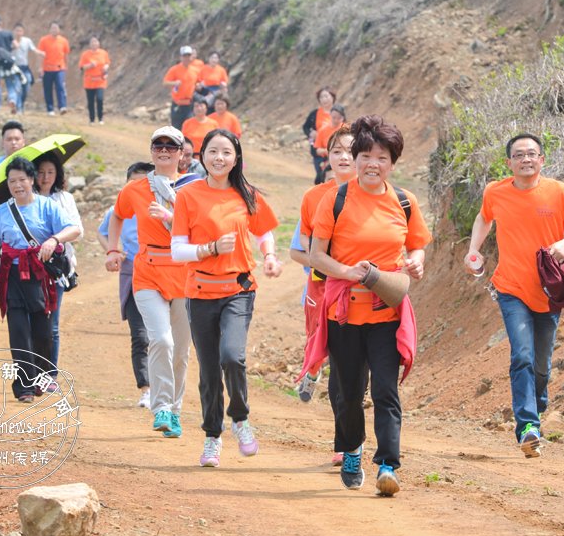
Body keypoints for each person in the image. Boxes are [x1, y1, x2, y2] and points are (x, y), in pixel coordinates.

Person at [307, 115, 431, 496]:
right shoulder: (335, 199)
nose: (372, 164)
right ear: (356, 159)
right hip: (344, 314)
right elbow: (316, 255)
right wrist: (348, 271)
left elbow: (417, 245)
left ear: (392, 163)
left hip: (386, 312)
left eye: (381, 158)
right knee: (348, 393)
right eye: (365, 156)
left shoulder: (404, 202)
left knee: (385, 391)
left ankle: (388, 465)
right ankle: (351, 450)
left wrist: (416, 262)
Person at [466, 133, 564, 459]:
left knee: (541, 366)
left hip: (549, 292)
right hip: (510, 289)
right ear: (508, 162)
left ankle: (535, 409)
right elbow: (484, 217)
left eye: (531, 154)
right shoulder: (495, 191)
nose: (526, 159)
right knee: (522, 355)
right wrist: (473, 249)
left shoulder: (559, 192)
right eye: (519, 155)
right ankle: (528, 426)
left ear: (542, 160)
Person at [171, 128, 282, 468]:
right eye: (213, 151)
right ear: (202, 155)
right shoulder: (188, 195)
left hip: (238, 289)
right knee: (208, 370)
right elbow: (177, 250)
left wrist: (269, 255)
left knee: (232, 357)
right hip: (200, 292)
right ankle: (212, 437)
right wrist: (210, 249)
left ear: (236, 159)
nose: (219, 158)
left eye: (226, 152)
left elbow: (264, 230)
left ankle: (240, 418)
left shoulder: (246, 194)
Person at [105, 127, 201, 438]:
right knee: (161, 339)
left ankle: (175, 411)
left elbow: (202, 228)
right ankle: (160, 407)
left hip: (185, 273)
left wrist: (170, 217)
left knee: (181, 350)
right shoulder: (135, 189)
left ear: (181, 153)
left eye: (170, 146)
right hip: (147, 272)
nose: (163, 151)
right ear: (151, 151)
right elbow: (117, 216)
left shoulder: (194, 188)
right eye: (158, 145)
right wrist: (113, 249)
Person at [0, 157, 80, 403]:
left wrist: (54, 240)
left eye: (22, 180)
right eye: (12, 181)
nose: (17, 185)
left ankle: (39, 376)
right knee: (18, 331)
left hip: (40, 276)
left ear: (31, 180)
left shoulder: (47, 206)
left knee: (42, 332)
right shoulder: (2, 212)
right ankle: (24, 386)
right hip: (12, 275)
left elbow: (74, 229)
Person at [293, 127, 358, 467]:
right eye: (336, 151)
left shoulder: (377, 194)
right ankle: (344, 441)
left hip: (361, 290)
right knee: (329, 354)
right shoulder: (313, 197)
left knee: (349, 370)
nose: (343, 157)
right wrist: (327, 263)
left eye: (350, 150)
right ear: (326, 157)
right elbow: (301, 247)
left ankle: (349, 441)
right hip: (321, 288)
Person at [98, 162, 154, 408]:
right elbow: (102, 232)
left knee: (163, 337)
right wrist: (113, 250)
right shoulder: (117, 210)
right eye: (133, 182)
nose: (138, 188)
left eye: (144, 182)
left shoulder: (162, 208)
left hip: (162, 274)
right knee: (140, 336)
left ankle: (166, 388)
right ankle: (146, 389)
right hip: (132, 274)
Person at [35, 152, 84, 380]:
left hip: (56, 269)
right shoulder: (26, 199)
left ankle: (50, 373)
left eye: (50, 172)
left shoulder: (65, 199)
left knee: (52, 323)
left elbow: (78, 231)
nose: (45, 177)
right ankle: (32, 371)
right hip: (30, 267)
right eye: (41, 172)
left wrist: (55, 238)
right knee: (32, 321)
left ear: (58, 174)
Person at [302, 87, 336, 184]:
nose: (324, 99)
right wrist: (311, 133)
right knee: (320, 175)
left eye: (326, 96)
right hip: (318, 150)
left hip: (334, 149)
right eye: (321, 97)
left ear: (332, 97)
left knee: (332, 176)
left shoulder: (338, 113)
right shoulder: (314, 114)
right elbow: (305, 127)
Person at [38, 21, 70, 115]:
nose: (54, 30)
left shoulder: (63, 41)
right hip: (47, 68)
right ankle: (50, 109)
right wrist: (40, 67)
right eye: (52, 28)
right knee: (48, 89)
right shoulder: (43, 40)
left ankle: (62, 106)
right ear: (49, 29)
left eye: (56, 28)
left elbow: (66, 54)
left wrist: (66, 66)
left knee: (60, 86)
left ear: (59, 30)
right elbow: (40, 55)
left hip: (59, 68)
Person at [163, 45, 199, 130]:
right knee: (176, 129)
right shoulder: (174, 69)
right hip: (177, 104)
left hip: (189, 105)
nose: (187, 58)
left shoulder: (195, 70)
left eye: (188, 56)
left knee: (189, 129)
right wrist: (174, 83)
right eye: (184, 56)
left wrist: (198, 86)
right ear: (181, 57)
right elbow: (165, 83)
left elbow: (198, 82)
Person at [12, 23, 44, 113]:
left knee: (27, 85)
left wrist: (41, 53)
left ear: (23, 32)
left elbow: (34, 50)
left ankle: (21, 104)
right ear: (13, 31)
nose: (18, 33)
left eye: (20, 31)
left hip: (25, 67)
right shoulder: (10, 41)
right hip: (14, 68)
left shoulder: (27, 41)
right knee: (17, 87)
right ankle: (18, 108)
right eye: (17, 31)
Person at [78, 36, 111, 125]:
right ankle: (91, 119)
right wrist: (90, 65)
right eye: (92, 42)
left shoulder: (103, 53)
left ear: (98, 43)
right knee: (91, 101)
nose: (94, 44)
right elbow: (81, 67)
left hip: (100, 80)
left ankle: (100, 118)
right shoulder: (85, 54)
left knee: (100, 99)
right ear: (89, 44)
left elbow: (107, 63)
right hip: (89, 81)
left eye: (96, 42)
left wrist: (105, 67)